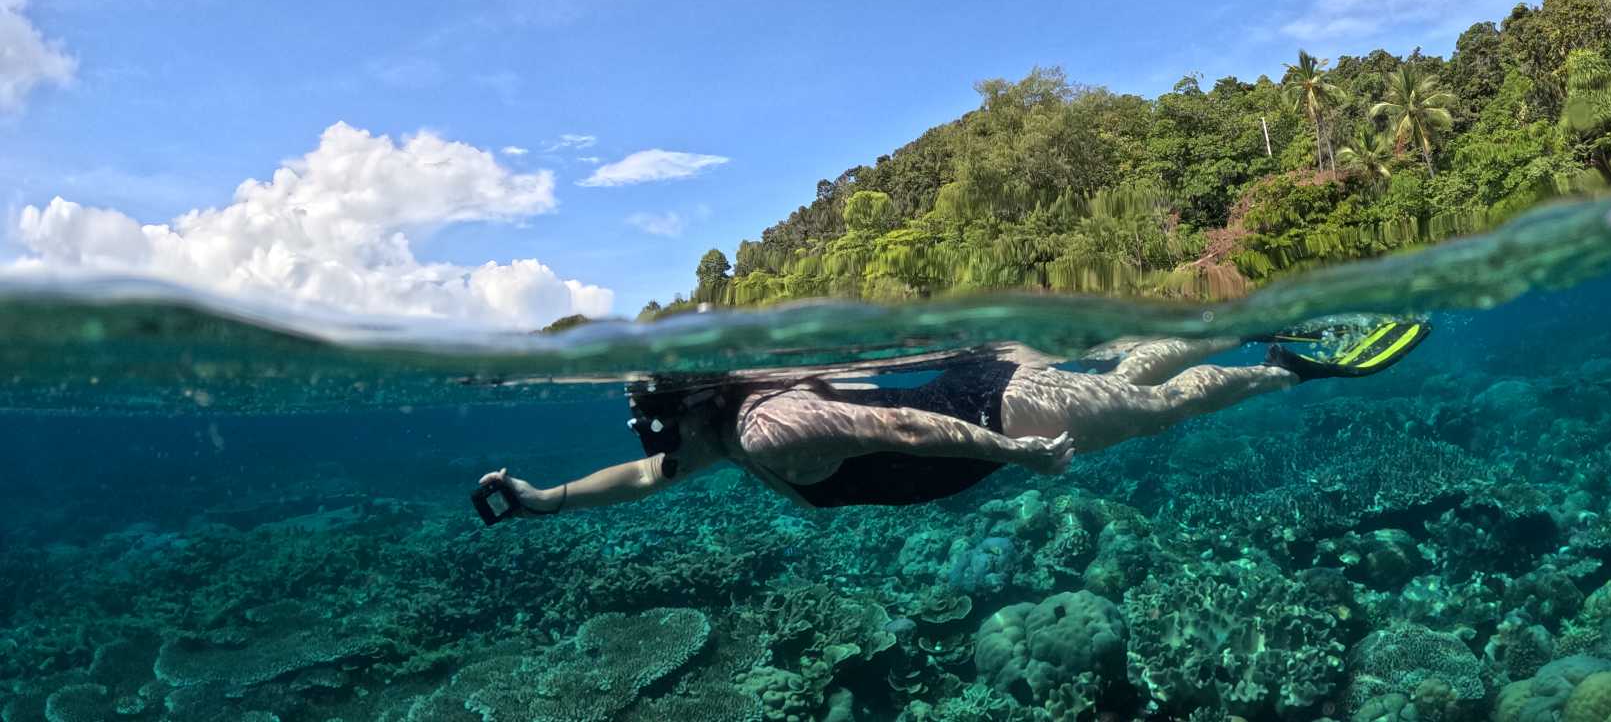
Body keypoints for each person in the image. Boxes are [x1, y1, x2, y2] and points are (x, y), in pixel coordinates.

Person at [477, 320, 1428, 514]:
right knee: (1123, 379)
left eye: (651, 422)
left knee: (1146, 410)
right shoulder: (719, 436)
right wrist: (541, 499)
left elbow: (907, 433)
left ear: (690, 405)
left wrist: (1011, 453)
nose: (648, 444)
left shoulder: (770, 427)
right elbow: (645, 480)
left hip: (989, 407)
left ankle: (1281, 365)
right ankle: (1237, 328)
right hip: (983, 393)